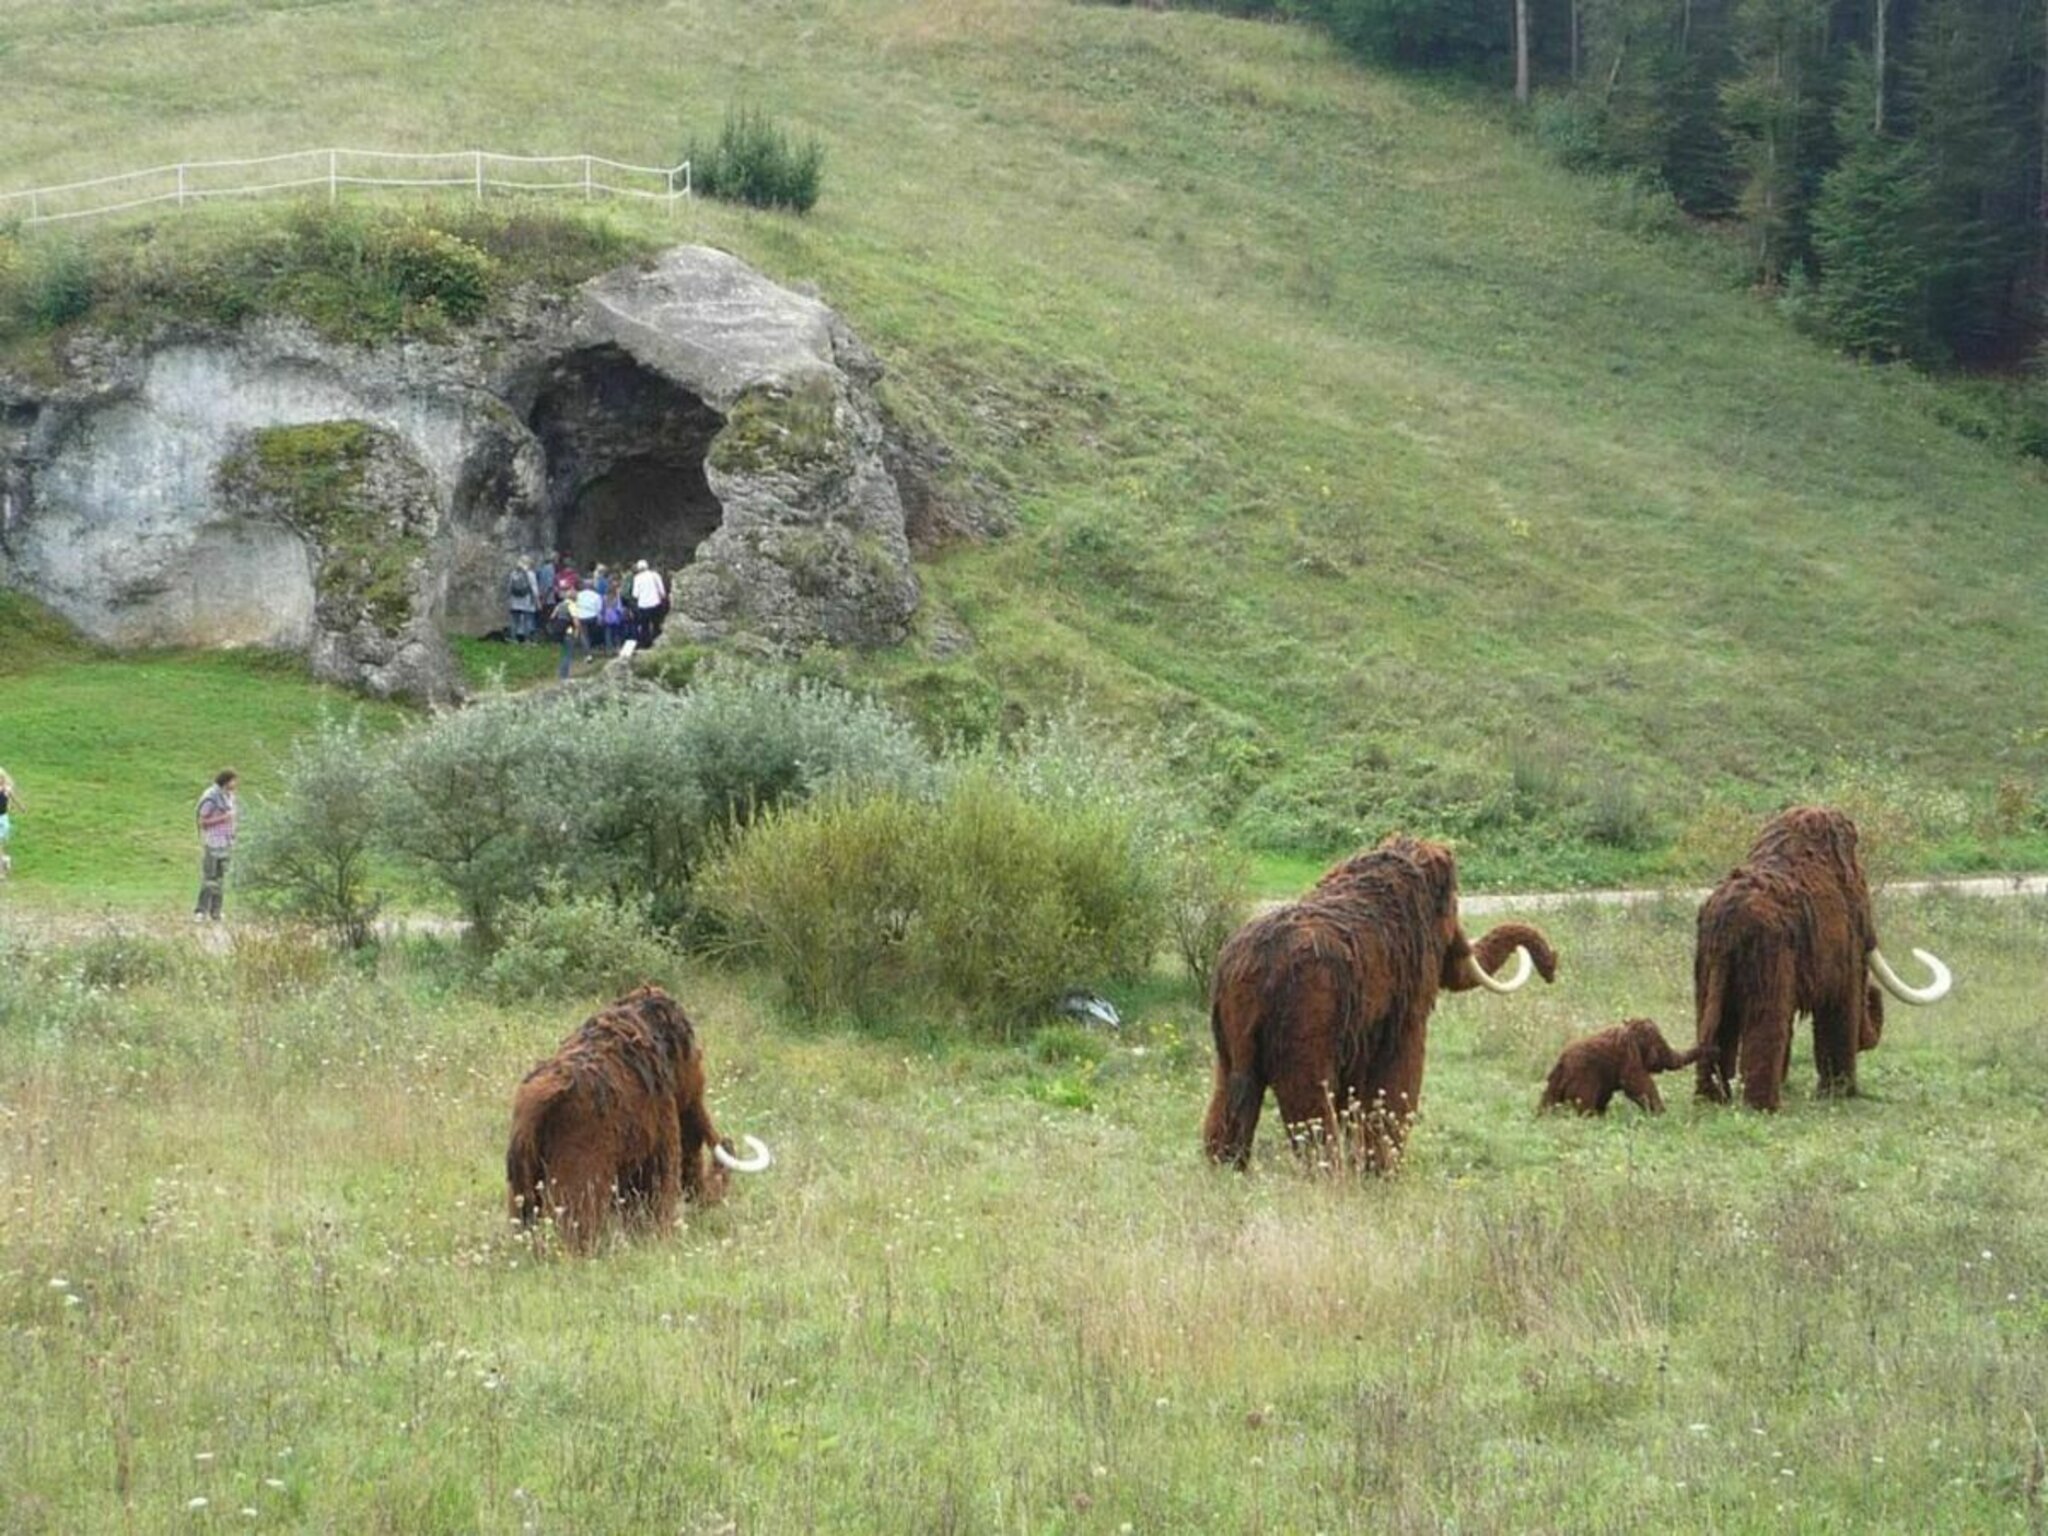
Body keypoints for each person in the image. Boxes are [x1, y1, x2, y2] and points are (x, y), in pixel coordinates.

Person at [194, 769, 239, 921]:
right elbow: (202, 822)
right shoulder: (211, 798)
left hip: (226, 842)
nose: (236, 784)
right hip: (213, 842)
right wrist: (223, 818)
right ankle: (201, 911)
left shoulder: (230, 797)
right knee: (209, 877)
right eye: (233, 780)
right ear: (226, 781)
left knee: (220, 878)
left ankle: (216, 911)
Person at [547, 587, 582, 680]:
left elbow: (552, 617)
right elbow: (576, 622)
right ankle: (564, 676)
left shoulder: (560, 605)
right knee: (568, 654)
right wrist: (577, 632)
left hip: (559, 632)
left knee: (563, 653)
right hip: (569, 632)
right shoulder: (572, 605)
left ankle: (561, 673)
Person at [630, 558, 667, 644]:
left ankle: (646, 644)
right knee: (656, 625)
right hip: (656, 603)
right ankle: (658, 642)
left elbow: (635, 594)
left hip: (643, 605)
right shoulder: (655, 575)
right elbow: (662, 591)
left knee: (644, 627)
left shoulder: (637, 578)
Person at [506, 556, 539, 643]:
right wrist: (537, 601)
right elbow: (534, 588)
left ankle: (513, 638)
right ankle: (527, 639)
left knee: (514, 620)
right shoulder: (531, 574)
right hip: (527, 601)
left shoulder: (513, 573)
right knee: (528, 620)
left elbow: (509, 587)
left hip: (515, 601)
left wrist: (509, 598)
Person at [0, 767, 17, 879]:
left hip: (2, 820)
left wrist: (21, 807)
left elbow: (14, 799)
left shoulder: (6, 789)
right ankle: (5, 861)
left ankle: (1, 872)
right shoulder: (6, 789)